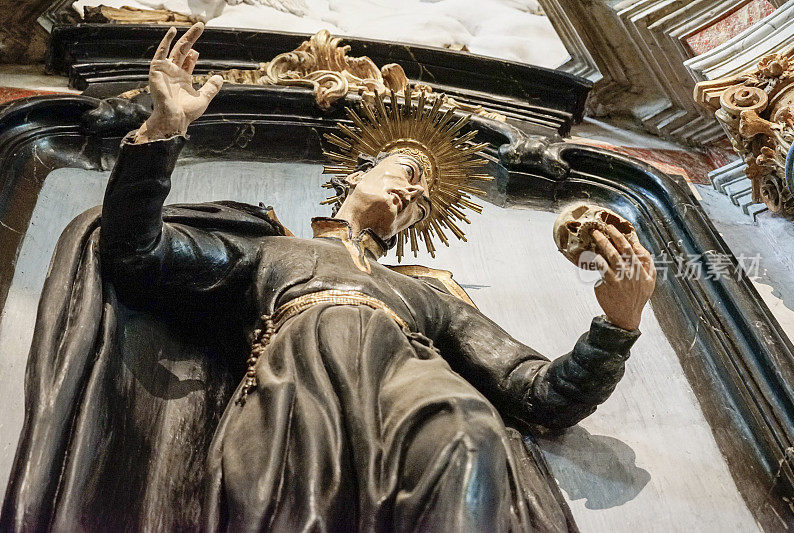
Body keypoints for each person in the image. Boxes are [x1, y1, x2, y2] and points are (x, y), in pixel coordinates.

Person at [3, 22, 655, 533]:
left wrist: (616, 326)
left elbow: (536, 390)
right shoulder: (270, 255)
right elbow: (135, 251)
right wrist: (166, 126)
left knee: (473, 432)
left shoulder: (425, 295)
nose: (413, 191)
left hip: (410, 386)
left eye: (424, 196)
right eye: (405, 172)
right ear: (358, 173)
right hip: (296, 395)